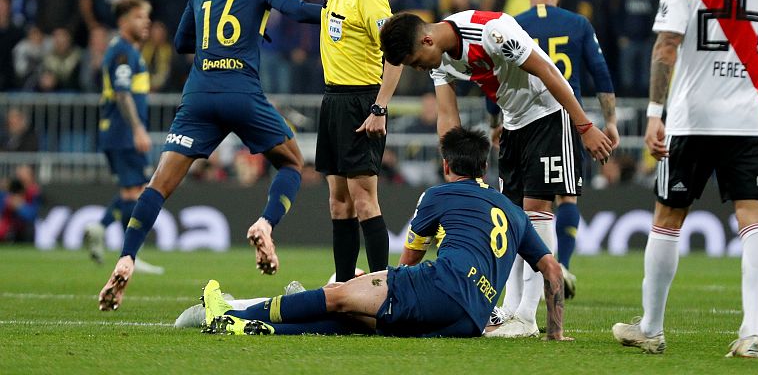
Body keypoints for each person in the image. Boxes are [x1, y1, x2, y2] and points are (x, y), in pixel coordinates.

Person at [97, 0, 323, 311]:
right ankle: (265, 224)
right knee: (291, 162)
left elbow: (182, 41)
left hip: (199, 95)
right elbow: (298, 11)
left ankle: (127, 257)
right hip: (241, 93)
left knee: (158, 184)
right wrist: (340, 15)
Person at [612, 0, 758, 358]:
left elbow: (666, 46)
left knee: (668, 217)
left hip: (692, 117)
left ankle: (651, 327)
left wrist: (654, 114)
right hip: (750, 117)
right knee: (753, 218)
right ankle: (751, 332)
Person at [200, 127, 570, 340]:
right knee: (358, 319)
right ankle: (262, 329)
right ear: (484, 168)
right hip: (470, 320)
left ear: (446, 165)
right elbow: (553, 271)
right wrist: (555, 333)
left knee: (339, 294)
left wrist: (377, 282)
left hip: (443, 286)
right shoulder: (515, 213)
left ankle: (233, 315)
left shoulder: (439, 195)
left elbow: (409, 261)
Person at [379, 9, 614, 337]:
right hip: (512, 124)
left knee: (536, 212)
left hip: (548, 114)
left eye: (416, 61)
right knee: (513, 216)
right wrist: (454, 166)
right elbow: (447, 114)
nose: (419, 68)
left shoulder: (491, 32)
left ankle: (528, 316)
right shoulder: (441, 59)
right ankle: (512, 308)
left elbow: (548, 71)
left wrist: (584, 126)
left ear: (427, 40)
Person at [290, 0, 403, 282]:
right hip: (334, 100)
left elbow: (395, 55)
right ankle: (342, 283)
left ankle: (380, 285)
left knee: (364, 199)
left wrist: (380, 108)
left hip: (362, 101)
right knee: (338, 202)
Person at [493, 0, 618, 324]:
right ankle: (560, 266)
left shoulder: (511, 24)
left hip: (518, 119)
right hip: (565, 118)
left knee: (521, 205)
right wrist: (609, 121)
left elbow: (498, 74)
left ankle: (526, 299)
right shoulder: (578, 23)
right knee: (563, 198)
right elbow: (600, 73)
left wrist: (494, 122)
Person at [83, 0, 162, 274]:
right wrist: (138, 129)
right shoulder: (123, 53)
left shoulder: (126, 50)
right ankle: (128, 255)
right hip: (123, 132)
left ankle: (104, 229)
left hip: (117, 133)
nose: (146, 22)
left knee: (132, 191)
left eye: (147, 17)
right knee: (138, 191)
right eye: (139, 17)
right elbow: (122, 93)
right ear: (123, 21)